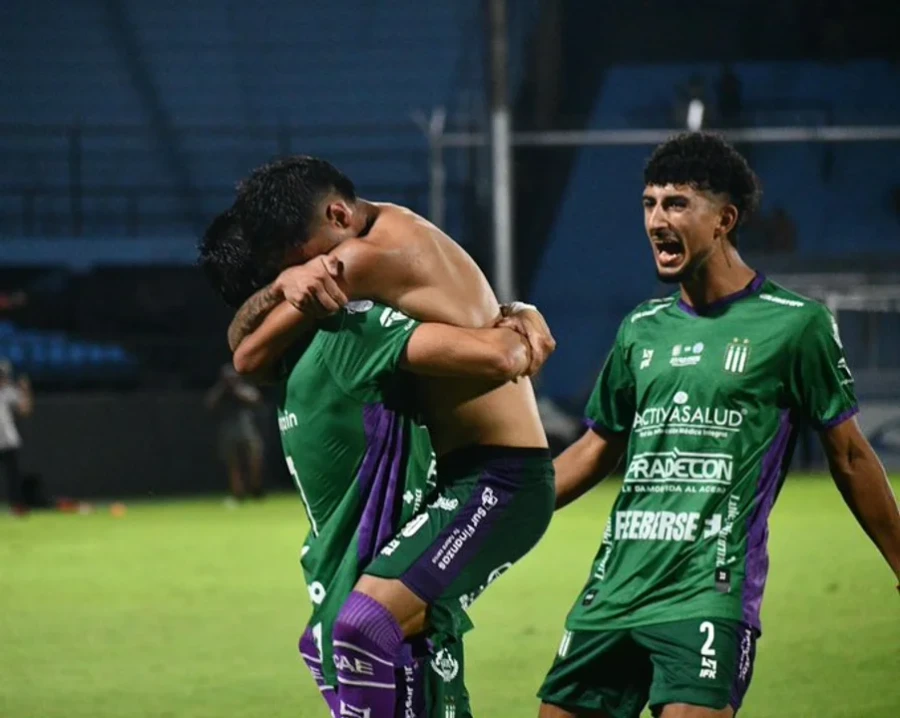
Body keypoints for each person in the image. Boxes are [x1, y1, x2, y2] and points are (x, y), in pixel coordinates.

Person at [537, 132, 900, 718]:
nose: (656, 220)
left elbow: (851, 456)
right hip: (611, 592)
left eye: (676, 204)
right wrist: (507, 508)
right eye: (650, 203)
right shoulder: (641, 329)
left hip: (708, 594)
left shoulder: (795, 325)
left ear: (724, 220)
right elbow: (596, 447)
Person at [213, 156, 557, 718]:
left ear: (337, 215)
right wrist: (285, 283)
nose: (311, 273)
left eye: (306, 257)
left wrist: (293, 284)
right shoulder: (395, 226)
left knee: (364, 623)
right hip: (466, 477)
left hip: (499, 478)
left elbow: (248, 354)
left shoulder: (361, 259)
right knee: (400, 641)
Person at [204, 362, 265, 503]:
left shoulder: (243, 388)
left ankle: (256, 490)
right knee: (233, 464)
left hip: (247, 428)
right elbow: (209, 404)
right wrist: (223, 388)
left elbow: (256, 399)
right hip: (228, 429)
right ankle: (238, 494)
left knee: (255, 459)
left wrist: (236, 389)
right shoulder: (221, 391)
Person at [0, 359, 33, 515]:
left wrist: (25, 391)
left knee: (13, 476)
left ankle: (17, 507)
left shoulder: (8, 392)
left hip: (8, 441)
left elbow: (24, 410)